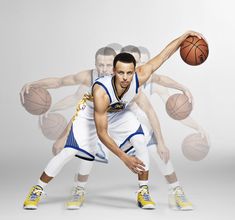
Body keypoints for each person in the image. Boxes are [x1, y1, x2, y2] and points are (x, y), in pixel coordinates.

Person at [22, 30, 205, 211]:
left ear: (135, 71)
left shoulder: (140, 76)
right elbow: (102, 133)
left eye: (129, 73)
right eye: (121, 73)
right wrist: (125, 158)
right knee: (67, 153)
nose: (125, 78)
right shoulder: (101, 91)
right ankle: (37, 190)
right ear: (114, 72)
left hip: (119, 114)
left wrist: (184, 37)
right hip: (90, 117)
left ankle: (143, 191)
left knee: (140, 141)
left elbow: (164, 55)